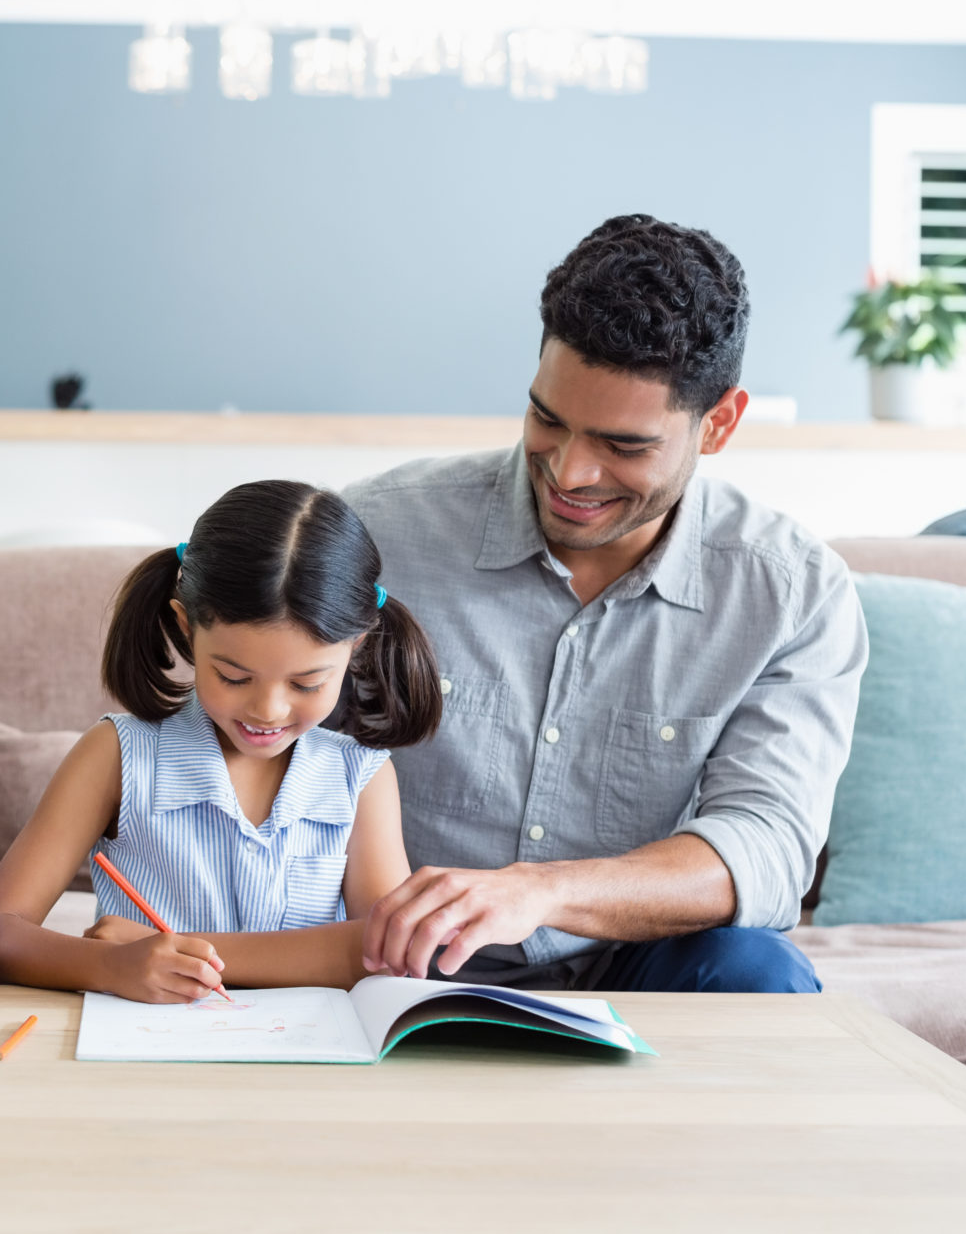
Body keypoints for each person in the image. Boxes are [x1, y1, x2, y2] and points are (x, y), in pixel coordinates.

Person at [347, 214, 868, 994]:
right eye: (547, 419)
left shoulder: (792, 593)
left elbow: (763, 846)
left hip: (633, 968)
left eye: (624, 446)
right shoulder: (381, 534)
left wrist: (541, 890)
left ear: (718, 423)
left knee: (760, 971)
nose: (570, 472)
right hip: (391, 962)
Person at [0, 480, 443, 1001]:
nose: (267, 710)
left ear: (356, 648)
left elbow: (388, 954)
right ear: (186, 629)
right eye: (233, 676)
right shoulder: (118, 755)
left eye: (306, 684)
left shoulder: (360, 778)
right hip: (143, 1058)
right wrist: (108, 966)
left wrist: (187, 950)